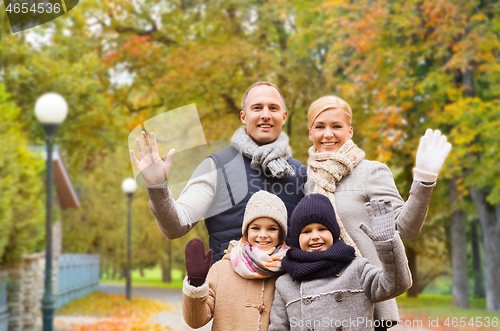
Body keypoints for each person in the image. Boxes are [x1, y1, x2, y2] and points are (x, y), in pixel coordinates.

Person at [304, 96, 451, 329]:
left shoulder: (371, 172)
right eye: (320, 126)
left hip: (370, 301)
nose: (328, 134)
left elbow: (406, 227)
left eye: (337, 126)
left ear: (350, 131)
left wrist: (424, 180)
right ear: (310, 133)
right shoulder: (311, 183)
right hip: (325, 307)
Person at [130, 82, 307, 262]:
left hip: (285, 287)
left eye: (273, 108)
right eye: (257, 108)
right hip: (229, 285)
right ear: (243, 116)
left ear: (283, 117)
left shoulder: (301, 173)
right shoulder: (216, 166)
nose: (265, 115)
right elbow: (176, 226)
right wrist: (157, 186)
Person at [268, 194, 412, 331]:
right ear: (296, 238)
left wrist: (387, 245)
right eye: (306, 231)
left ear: (334, 232)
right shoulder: (285, 283)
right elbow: (278, 328)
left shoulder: (356, 268)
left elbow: (397, 284)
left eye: (322, 229)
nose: (315, 236)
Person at [182, 190, 290, 330]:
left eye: (272, 229)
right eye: (255, 228)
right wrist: (196, 284)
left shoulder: (288, 271)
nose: (263, 235)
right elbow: (195, 321)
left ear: (281, 234)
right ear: (246, 231)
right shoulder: (221, 270)